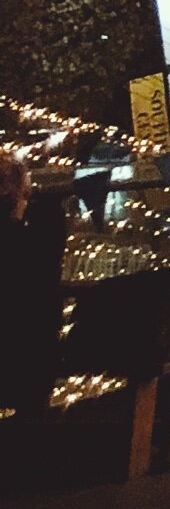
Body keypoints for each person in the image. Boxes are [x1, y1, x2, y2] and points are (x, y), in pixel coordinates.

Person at [0, 155, 71, 425]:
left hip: (32, 322)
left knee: (30, 399)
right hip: (18, 319)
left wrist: (15, 221)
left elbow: (36, 268)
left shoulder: (46, 215)